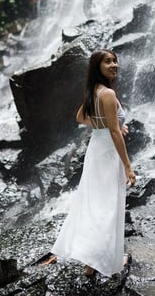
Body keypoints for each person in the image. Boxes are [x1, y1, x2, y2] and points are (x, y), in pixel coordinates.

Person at [50, 49, 136, 277]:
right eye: (108, 61)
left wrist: (106, 125)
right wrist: (127, 165)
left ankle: (91, 261)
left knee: (96, 202)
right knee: (107, 205)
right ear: (97, 66)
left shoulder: (94, 91)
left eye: (115, 60)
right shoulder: (107, 93)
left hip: (97, 148)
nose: (114, 65)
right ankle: (98, 260)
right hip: (107, 152)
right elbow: (116, 134)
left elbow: (80, 117)